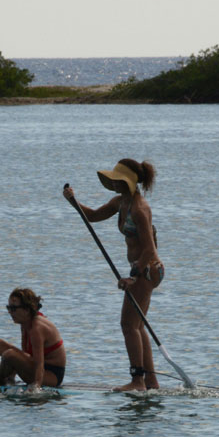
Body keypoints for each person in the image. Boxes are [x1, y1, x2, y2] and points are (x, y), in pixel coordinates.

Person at [63, 159, 163, 392]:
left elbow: (150, 249)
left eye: (118, 180)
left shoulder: (140, 209)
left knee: (128, 325)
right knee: (137, 326)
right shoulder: (121, 202)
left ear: (128, 182)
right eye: (114, 180)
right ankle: (151, 383)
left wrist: (135, 277)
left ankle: (137, 381)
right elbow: (93, 216)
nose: (114, 184)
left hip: (148, 269)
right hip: (141, 269)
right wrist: (73, 201)